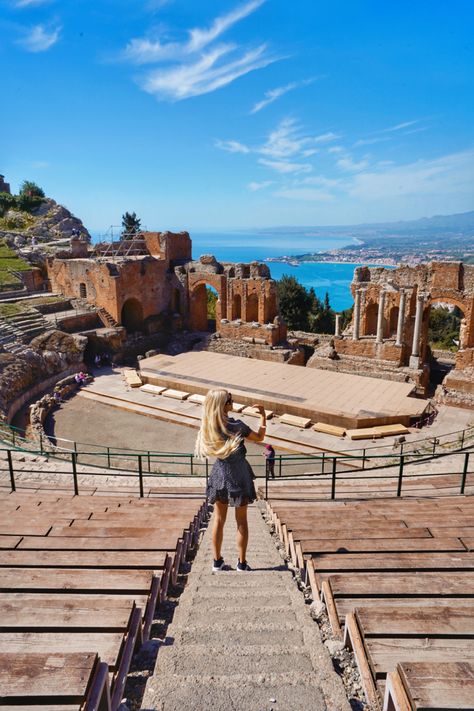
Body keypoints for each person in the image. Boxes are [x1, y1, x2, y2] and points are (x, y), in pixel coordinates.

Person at [195, 389, 266, 573]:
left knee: (218, 519)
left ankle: (216, 562)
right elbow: (259, 438)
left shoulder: (210, 426)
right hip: (240, 475)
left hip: (220, 474)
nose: (232, 401)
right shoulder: (238, 426)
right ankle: (242, 564)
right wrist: (263, 417)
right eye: (230, 399)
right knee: (241, 521)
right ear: (224, 404)